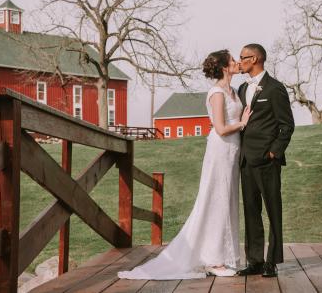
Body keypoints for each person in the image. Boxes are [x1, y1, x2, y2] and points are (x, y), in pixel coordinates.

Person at [117, 49, 251, 280]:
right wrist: (242, 123)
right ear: (223, 67)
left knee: (227, 200)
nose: (237, 62)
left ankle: (226, 256)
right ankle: (213, 259)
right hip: (220, 150)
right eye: (232, 60)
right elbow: (219, 128)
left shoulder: (235, 91)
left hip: (233, 152)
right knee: (215, 200)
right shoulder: (216, 93)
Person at [236, 43, 294, 278]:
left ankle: (272, 261)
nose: (239, 61)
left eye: (243, 57)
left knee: (273, 210)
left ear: (255, 58)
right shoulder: (241, 89)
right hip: (246, 162)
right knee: (251, 212)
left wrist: (273, 152)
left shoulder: (275, 89)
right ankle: (255, 260)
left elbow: (286, 125)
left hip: (267, 161)